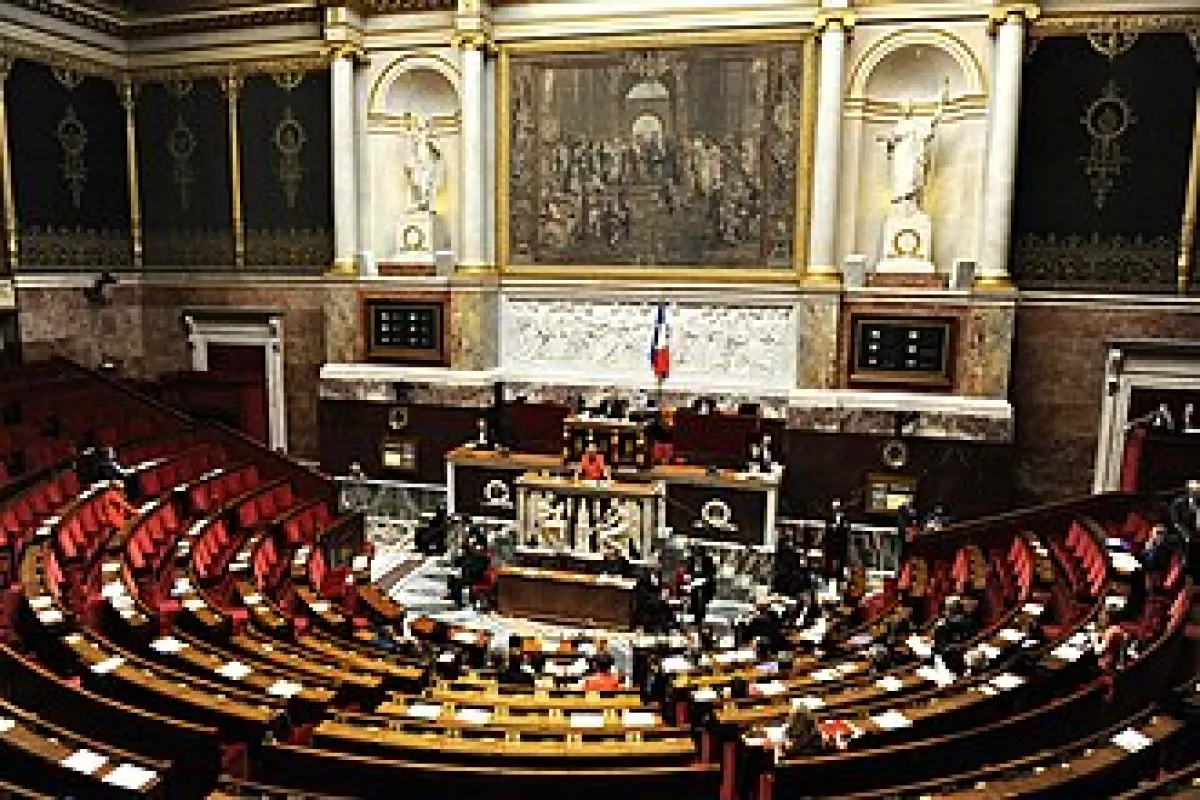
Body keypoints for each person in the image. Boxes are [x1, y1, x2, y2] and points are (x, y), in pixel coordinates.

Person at [683, 546, 717, 629]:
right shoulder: (690, 559)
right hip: (693, 583)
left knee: (702, 602)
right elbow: (687, 571)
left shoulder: (708, 560)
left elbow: (711, 574)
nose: (696, 553)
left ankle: (699, 619)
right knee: (693, 601)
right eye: (695, 551)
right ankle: (693, 618)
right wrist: (689, 580)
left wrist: (704, 580)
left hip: (705, 584)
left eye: (698, 551)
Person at [824, 499, 851, 590]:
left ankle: (840, 584)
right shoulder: (829, 518)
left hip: (841, 545)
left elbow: (846, 532)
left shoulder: (845, 519)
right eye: (834, 507)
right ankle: (828, 583)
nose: (835, 509)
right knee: (829, 564)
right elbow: (827, 532)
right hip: (831, 546)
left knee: (841, 565)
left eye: (837, 507)